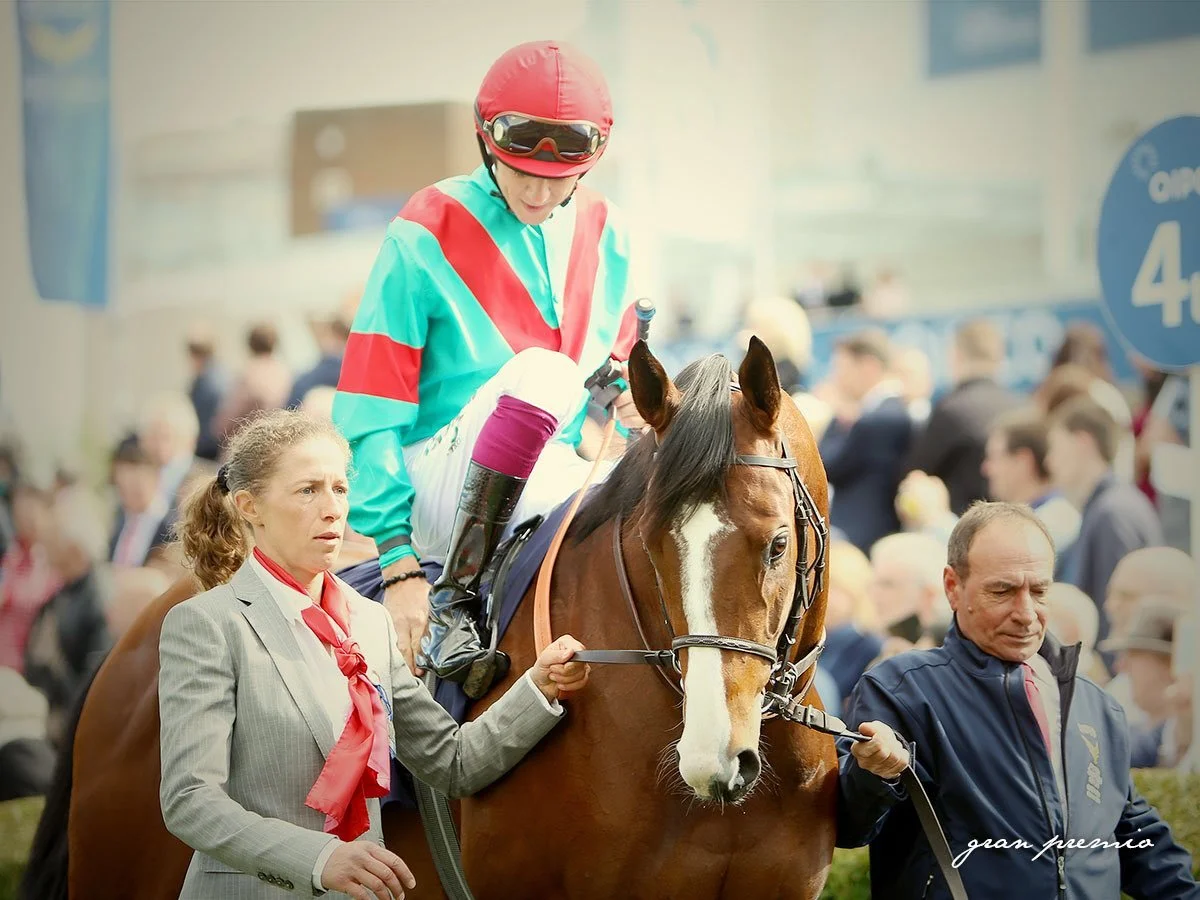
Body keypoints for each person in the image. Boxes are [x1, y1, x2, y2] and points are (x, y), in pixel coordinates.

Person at [159, 409, 589, 898]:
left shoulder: (369, 621)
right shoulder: (206, 624)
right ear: (249, 506)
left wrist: (538, 686)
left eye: (340, 489)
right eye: (307, 490)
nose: (332, 509)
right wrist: (320, 860)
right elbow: (190, 801)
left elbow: (453, 762)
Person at [332, 40, 645, 698]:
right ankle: (454, 599)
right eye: (518, 168)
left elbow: (609, 377)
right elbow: (370, 408)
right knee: (546, 374)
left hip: (544, 475)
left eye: (558, 175)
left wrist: (634, 403)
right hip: (434, 481)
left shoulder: (607, 230)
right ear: (485, 143)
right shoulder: (423, 228)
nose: (537, 188)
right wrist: (397, 563)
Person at [836, 501, 1199, 899]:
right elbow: (851, 826)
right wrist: (875, 772)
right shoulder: (901, 689)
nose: (1026, 613)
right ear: (952, 587)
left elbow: (1129, 831)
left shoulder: (1095, 705)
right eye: (1003, 591)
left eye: (1039, 590)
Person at [1045, 396, 1163, 649]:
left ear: (1082, 442)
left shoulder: (1112, 513)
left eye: (1055, 447)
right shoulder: (1109, 507)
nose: (1049, 462)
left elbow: (1117, 614)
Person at [907, 319, 1020, 515]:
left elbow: (916, 473)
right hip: (1018, 521)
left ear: (955, 355)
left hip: (964, 526)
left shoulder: (951, 411)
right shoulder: (1022, 406)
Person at [818, 329, 913, 553]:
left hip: (857, 536)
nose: (836, 378)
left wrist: (837, 417)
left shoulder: (876, 420)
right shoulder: (887, 412)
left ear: (868, 367)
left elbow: (826, 464)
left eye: (842, 368)